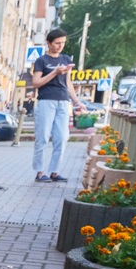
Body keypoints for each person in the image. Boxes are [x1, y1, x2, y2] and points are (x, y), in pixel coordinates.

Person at [31, 28, 86, 182]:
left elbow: (68, 82)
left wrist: (77, 102)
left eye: (63, 43)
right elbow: (36, 83)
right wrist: (54, 73)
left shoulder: (66, 59)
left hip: (63, 102)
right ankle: (40, 172)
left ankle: (55, 171)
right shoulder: (41, 61)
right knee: (42, 137)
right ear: (48, 43)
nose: (60, 46)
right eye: (57, 43)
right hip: (46, 101)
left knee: (62, 137)